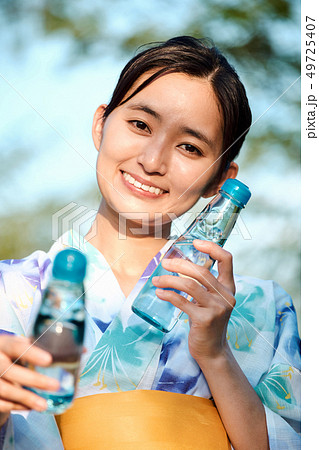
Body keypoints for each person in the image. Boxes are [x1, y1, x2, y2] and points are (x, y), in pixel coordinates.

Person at [0, 36, 300, 449]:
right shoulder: (9, 292)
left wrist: (215, 353)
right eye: (140, 125)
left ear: (220, 181)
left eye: (190, 147)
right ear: (101, 124)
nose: (153, 161)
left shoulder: (264, 308)